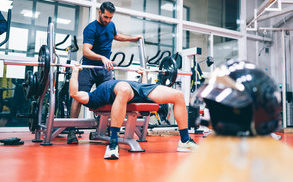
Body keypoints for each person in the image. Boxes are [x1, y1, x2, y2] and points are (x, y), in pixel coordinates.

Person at [69, 64, 199, 159]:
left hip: (139, 87)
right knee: (124, 90)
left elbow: (141, 96)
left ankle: (185, 141)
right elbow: (73, 93)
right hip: (126, 90)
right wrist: (75, 71)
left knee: (178, 95)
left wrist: (144, 75)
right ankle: (113, 143)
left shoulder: (105, 90)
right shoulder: (92, 98)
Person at [68, 1, 142, 144]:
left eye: (110, 18)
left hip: (105, 69)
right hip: (89, 68)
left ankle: (107, 129)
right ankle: (71, 130)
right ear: (99, 12)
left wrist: (134, 38)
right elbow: (86, 51)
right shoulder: (91, 28)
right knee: (77, 98)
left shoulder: (111, 25)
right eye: (105, 17)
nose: (107, 20)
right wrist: (102, 57)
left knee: (111, 98)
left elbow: (116, 36)